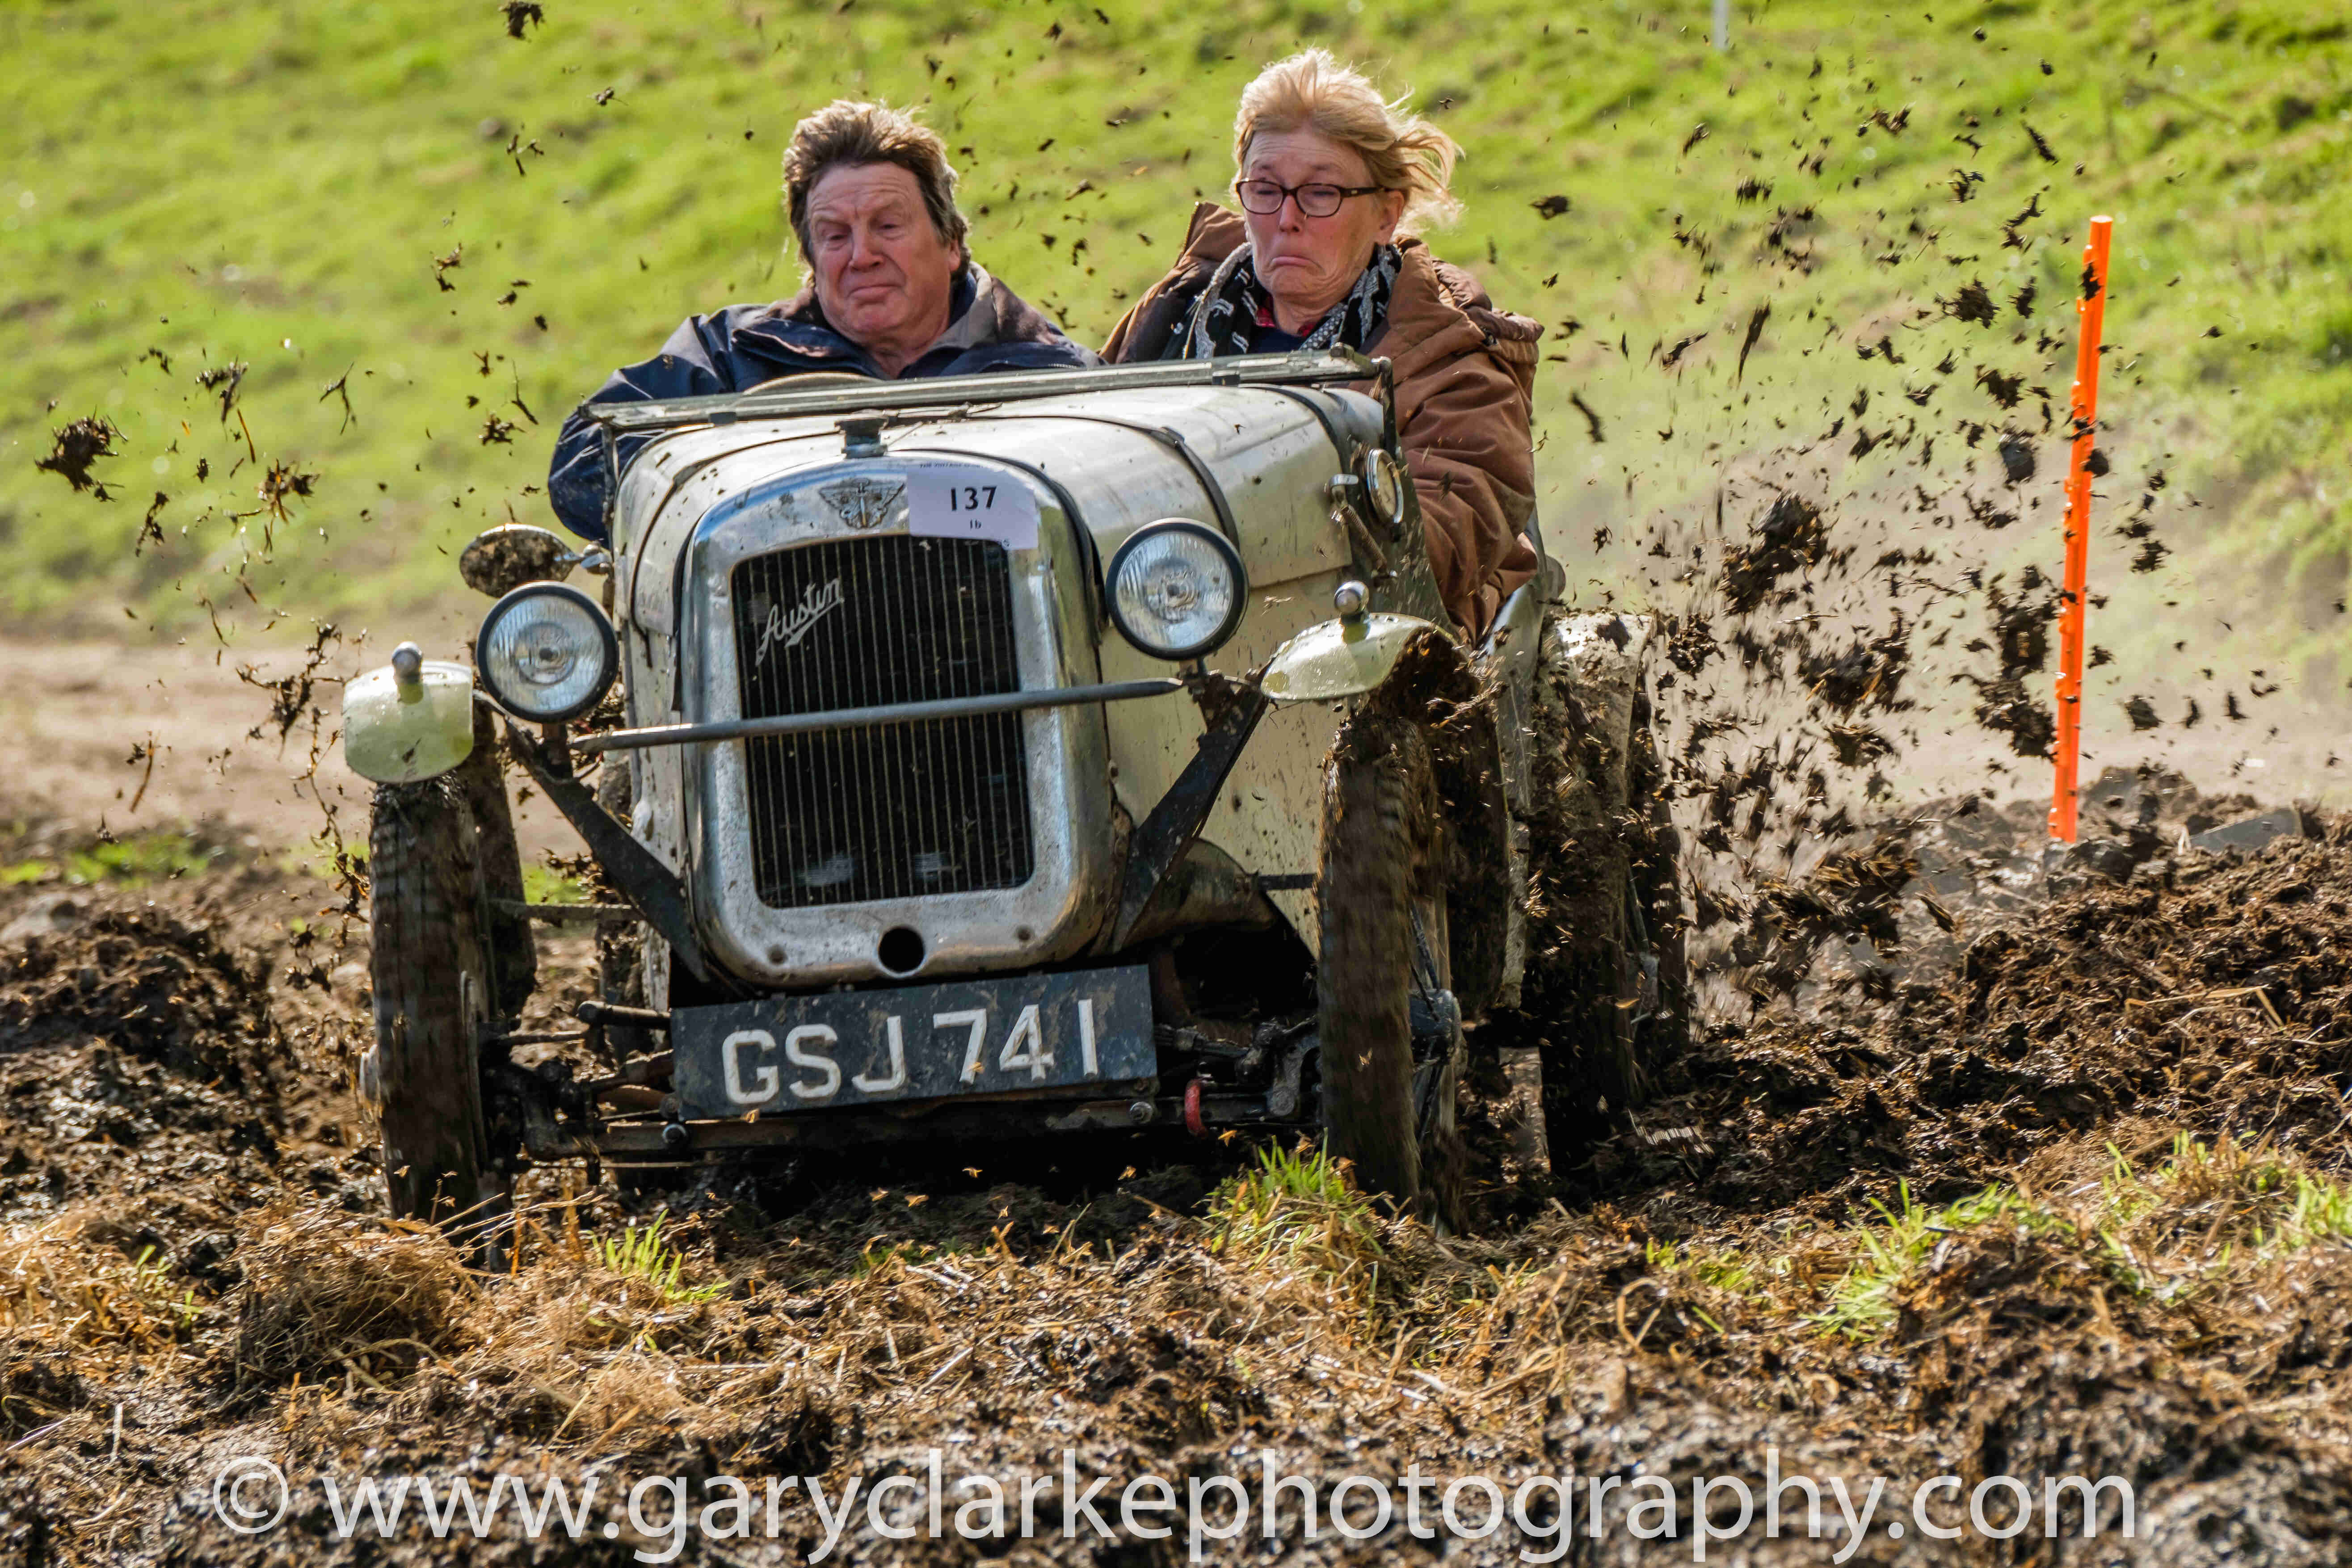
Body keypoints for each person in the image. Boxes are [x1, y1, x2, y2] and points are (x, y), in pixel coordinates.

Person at [1104, 50, 1540, 637]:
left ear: (1386, 214)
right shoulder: (1175, 315)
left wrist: (1263, 546)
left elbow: (1447, 536)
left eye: (1319, 194)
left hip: (1371, 638)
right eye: (1264, 189)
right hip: (1170, 620)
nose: (1285, 218)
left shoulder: (1449, 347)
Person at [548, 100, 1096, 541]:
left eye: (887, 226)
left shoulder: (1052, 374)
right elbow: (579, 468)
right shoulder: (729, 355)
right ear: (811, 261)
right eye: (835, 236)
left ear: (951, 242)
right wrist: (731, 477)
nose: (861, 256)